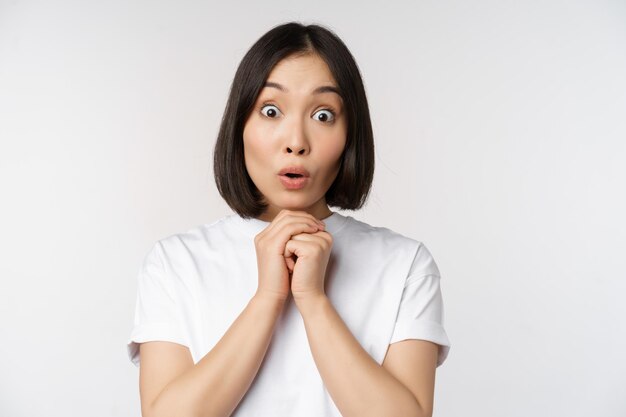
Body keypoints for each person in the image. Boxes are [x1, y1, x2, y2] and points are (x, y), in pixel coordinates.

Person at [127, 21, 451, 417]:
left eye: (323, 115)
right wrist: (268, 298)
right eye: (270, 110)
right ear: (239, 126)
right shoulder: (174, 263)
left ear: (351, 135)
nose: (296, 141)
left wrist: (314, 301)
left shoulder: (406, 265)